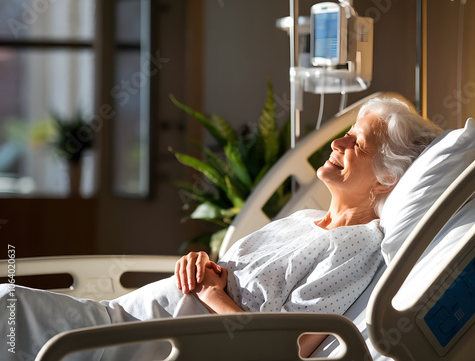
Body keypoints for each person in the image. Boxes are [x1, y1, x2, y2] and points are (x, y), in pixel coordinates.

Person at [0, 97, 442, 360]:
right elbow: (232, 276)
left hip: (150, 343)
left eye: (357, 143)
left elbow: (283, 350)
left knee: (9, 310)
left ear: (387, 178)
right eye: (344, 134)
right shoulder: (305, 221)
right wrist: (202, 265)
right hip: (132, 317)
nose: (336, 142)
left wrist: (211, 293)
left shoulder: (357, 248)